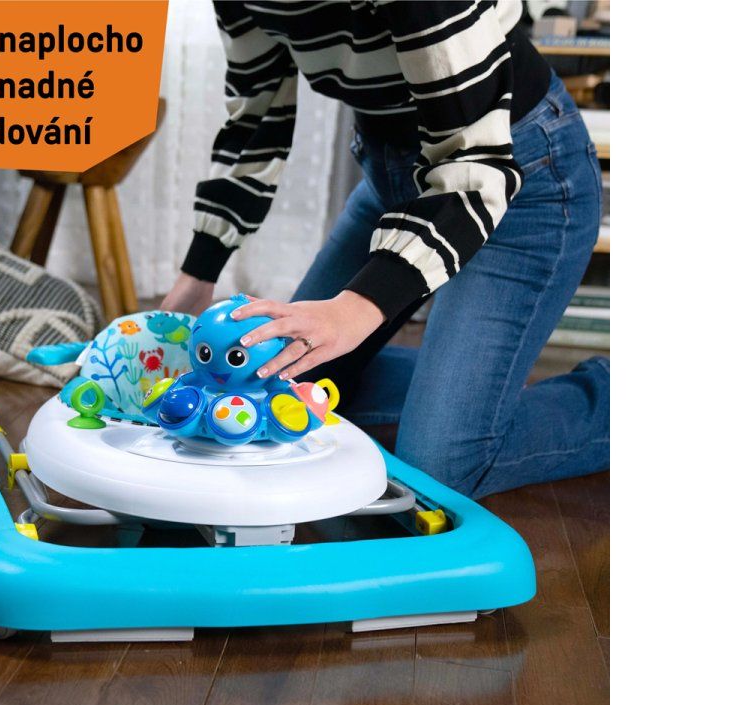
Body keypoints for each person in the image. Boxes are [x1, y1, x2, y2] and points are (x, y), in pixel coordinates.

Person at [160, 0, 608, 499]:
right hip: (396, 177)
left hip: (518, 180)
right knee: (287, 384)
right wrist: (198, 275)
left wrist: (355, 309)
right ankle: (475, 392)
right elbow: (255, 122)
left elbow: (473, 165)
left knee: (440, 463)